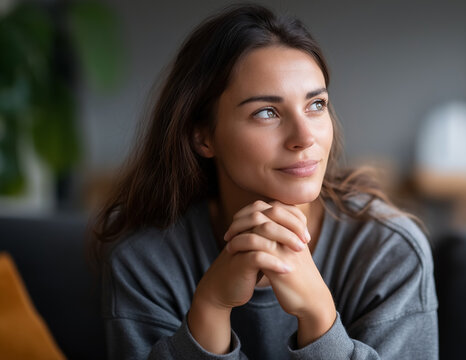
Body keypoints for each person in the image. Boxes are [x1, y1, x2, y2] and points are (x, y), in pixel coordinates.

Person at [93, 4, 438, 359]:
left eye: (316, 104)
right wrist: (210, 308)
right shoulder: (145, 261)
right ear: (203, 137)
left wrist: (319, 318)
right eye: (267, 112)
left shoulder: (390, 253)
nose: (304, 137)